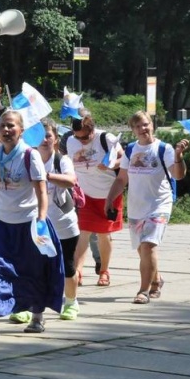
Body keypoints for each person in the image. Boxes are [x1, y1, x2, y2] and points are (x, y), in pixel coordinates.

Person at [0, 110, 63, 336]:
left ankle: (37, 317)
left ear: (21, 130)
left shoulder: (30, 156)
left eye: (11, 126)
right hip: (1, 223)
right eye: (3, 126)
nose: (6, 130)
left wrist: (41, 221)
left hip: (29, 224)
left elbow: (42, 191)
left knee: (32, 271)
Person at [105, 112, 188, 305]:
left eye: (145, 124)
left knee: (148, 245)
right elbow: (121, 179)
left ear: (152, 125)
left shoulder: (164, 148)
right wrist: (110, 198)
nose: (143, 129)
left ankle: (143, 291)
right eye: (138, 126)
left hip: (159, 204)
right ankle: (156, 279)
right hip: (136, 206)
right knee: (143, 250)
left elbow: (178, 175)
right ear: (133, 130)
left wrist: (178, 156)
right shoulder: (131, 150)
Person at [31, 119, 82, 321]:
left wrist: (46, 176)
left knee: (67, 265)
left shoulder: (61, 160)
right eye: (40, 136)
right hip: (39, 225)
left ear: (56, 138)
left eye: (48, 135)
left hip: (63, 224)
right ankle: (31, 304)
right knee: (35, 265)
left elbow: (71, 180)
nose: (44, 140)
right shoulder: (29, 157)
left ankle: (70, 302)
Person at [67, 110, 123, 287]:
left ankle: (104, 271)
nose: (81, 141)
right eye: (78, 138)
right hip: (85, 194)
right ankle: (78, 271)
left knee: (103, 234)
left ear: (92, 130)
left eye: (85, 137)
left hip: (108, 194)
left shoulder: (106, 138)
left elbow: (123, 158)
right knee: (83, 232)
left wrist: (111, 164)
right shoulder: (70, 141)